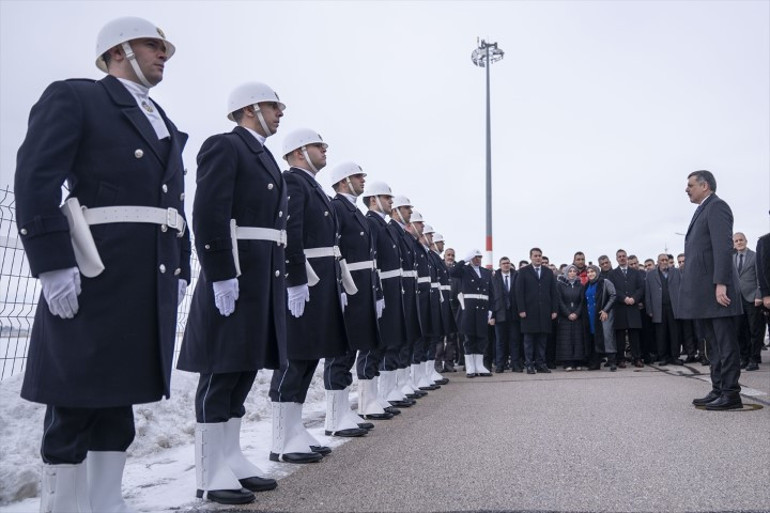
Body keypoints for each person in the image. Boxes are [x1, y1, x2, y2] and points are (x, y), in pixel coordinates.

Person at [14, 17, 189, 512]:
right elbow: (35, 180)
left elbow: (174, 204)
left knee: (121, 402)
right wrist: (52, 264)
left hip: (145, 275)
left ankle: (107, 504)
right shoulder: (77, 97)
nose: (163, 54)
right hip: (95, 270)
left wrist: (181, 268)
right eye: (153, 46)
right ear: (119, 51)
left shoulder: (164, 121)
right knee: (74, 400)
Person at [176, 82, 286, 504]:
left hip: (262, 274)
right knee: (221, 372)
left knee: (243, 368)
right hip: (237, 272)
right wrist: (221, 271)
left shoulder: (263, 156)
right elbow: (208, 211)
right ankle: (209, 468)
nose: (280, 114)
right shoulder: (225, 146)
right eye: (274, 107)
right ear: (250, 108)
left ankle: (231, 456)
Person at [268, 128, 348, 462]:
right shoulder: (294, 182)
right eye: (319, 145)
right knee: (296, 356)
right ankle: (280, 438)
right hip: (305, 279)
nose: (325, 149)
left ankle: (294, 428)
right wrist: (294, 279)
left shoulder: (311, 186)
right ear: (300, 151)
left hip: (321, 280)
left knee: (309, 356)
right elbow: (291, 232)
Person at [325, 162, 393, 432]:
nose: (362, 180)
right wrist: (339, 287)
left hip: (362, 287)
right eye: (356, 176)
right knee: (340, 352)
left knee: (351, 351)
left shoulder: (354, 211)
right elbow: (335, 250)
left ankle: (343, 412)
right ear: (343, 181)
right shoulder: (337, 207)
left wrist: (375, 291)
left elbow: (371, 260)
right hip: (348, 285)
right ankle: (334, 417)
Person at [680, 170, 744, 410]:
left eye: (690, 185)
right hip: (705, 294)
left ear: (704, 185)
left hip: (718, 291)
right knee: (713, 344)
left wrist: (721, 283)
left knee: (725, 343)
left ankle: (731, 394)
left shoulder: (717, 207)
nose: (687, 189)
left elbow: (723, 247)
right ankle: (718, 388)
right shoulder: (702, 209)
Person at [450, 249, 495, 377]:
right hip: (469, 309)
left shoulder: (486, 272)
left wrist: (491, 309)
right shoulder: (464, 270)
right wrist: (464, 260)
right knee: (469, 338)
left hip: (482, 308)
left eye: (479, 257)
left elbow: (491, 292)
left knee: (481, 338)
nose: (478, 259)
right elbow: (452, 272)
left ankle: (479, 365)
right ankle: (470, 366)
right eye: (475, 257)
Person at [515, 248, 558, 374]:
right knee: (529, 340)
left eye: (540, 255)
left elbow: (553, 292)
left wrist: (554, 309)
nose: (538, 258)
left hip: (544, 311)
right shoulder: (523, 271)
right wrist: (521, 309)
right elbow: (519, 292)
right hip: (529, 311)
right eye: (535, 256)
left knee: (542, 340)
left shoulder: (548, 272)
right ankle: (529, 365)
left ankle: (541, 364)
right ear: (530, 257)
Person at [644, 253, 683, 366]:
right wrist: (649, 309)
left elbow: (681, 289)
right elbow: (648, 293)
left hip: (673, 308)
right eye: (662, 260)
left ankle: (675, 356)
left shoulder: (676, 272)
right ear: (658, 262)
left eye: (666, 260)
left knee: (675, 332)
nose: (664, 262)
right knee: (661, 334)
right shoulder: (650, 275)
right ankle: (663, 357)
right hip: (658, 308)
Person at [608, 249, 645, 368]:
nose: (622, 258)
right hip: (620, 308)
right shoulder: (612, 274)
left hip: (633, 307)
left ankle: (637, 358)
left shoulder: (635, 272)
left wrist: (634, 298)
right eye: (619, 256)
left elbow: (641, 288)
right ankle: (621, 359)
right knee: (620, 337)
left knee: (634, 335)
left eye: (624, 256)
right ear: (616, 259)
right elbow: (612, 290)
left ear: (627, 257)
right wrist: (624, 298)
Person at [733, 232, 763, 371]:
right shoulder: (731, 258)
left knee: (754, 330)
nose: (739, 242)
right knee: (739, 331)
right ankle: (744, 358)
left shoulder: (755, 256)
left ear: (746, 241)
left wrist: (759, 295)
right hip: (737, 301)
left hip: (752, 298)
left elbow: (760, 277)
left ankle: (754, 359)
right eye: (736, 241)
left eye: (741, 240)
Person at [583, 266, 618, 371]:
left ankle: (612, 362)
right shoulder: (586, 285)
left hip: (603, 315)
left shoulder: (605, 282)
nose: (590, 274)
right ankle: (596, 363)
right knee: (594, 338)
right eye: (588, 272)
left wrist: (605, 310)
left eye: (592, 271)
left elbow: (613, 295)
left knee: (607, 338)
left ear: (597, 272)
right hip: (591, 315)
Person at [491, 257, 522, 372]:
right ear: (500, 265)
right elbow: (492, 298)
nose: (506, 265)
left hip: (514, 313)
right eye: (504, 263)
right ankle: (500, 365)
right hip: (500, 313)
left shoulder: (517, 276)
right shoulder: (494, 278)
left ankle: (515, 364)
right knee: (500, 341)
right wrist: (492, 316)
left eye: (508, 263)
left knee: (515, 340)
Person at [555, 265, 585, 370]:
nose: (572, 273)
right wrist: (568, 313)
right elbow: (559, 301)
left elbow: (582, 301)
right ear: (566, 273)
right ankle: (568, 362)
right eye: (570, 271)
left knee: (577, 339)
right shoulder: (560, 285)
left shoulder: (580, 285)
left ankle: (578, 362)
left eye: (574, 271)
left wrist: (577, 313)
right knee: (566, 339)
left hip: (577, 316)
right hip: (565, 317)